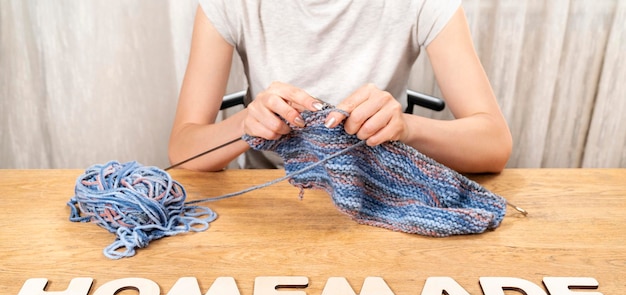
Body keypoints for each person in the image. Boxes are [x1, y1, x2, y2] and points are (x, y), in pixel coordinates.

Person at [169, 0, 512, 173]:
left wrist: (406, 128)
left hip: (379, 192)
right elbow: (183, 147)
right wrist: (244, 125)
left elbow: (494, 144)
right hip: (269, 199)